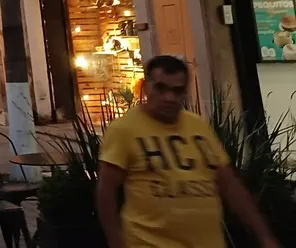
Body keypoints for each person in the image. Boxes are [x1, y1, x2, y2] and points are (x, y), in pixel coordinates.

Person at [97, 55, 278, 248]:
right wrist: (115, 240)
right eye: (161, 88)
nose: (169, 98)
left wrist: (265, 237)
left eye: (177, 91)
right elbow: (106, 190)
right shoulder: (124, 129)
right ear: (146, 87)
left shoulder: (198, 126)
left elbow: (229, 185)